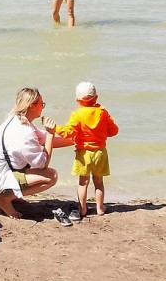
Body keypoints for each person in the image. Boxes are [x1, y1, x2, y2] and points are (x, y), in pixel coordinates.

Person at [0, 87, 72, 220]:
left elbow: (43, 140)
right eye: (42, 104)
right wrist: (51, 133)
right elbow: (43, 163)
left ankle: (12, 194)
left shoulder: (18, 120)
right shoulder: (24, 133)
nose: (43, 107)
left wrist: (77, 141)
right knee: (51, 176)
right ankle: (5, 198)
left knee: (30, 166)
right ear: (31, 106)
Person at [48, 82, 119, 220]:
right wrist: (102, 134)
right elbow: (114, 130)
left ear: (77, 100)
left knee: (83, 182)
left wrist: (55, 128)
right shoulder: (102, 112)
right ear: (96, 97)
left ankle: (83, 209)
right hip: (100, 152)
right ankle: (99, 208)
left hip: (83, 153)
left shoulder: (77, 115)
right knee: (99, 182)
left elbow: (68, 133)